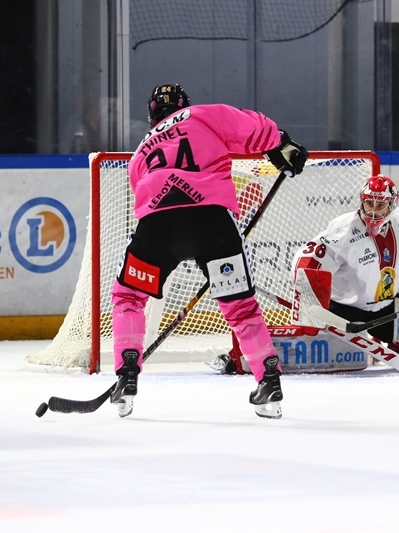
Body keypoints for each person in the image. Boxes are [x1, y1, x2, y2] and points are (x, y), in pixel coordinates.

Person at [110, 83, 308, 419]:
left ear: (152, 114)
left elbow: (141, 200)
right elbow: (256, 128)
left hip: (158, 226)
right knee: (240, 307)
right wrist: (281, 144)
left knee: (128, 296)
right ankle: (268, 379)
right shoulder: (203, 115)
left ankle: (127, 372)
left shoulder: (140, 152)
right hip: (212, 223)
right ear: (185, 104)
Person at [289, 174, 399, 365]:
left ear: (392, 205)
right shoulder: (343, 230)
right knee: (349, 360)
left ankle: (383, 339)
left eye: (380, 205)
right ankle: (363, 342)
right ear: (362, 202)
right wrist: (309, 310)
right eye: (369, 204)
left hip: (386, 310)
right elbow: (308, 261)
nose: (373, 212)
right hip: (343, 313)